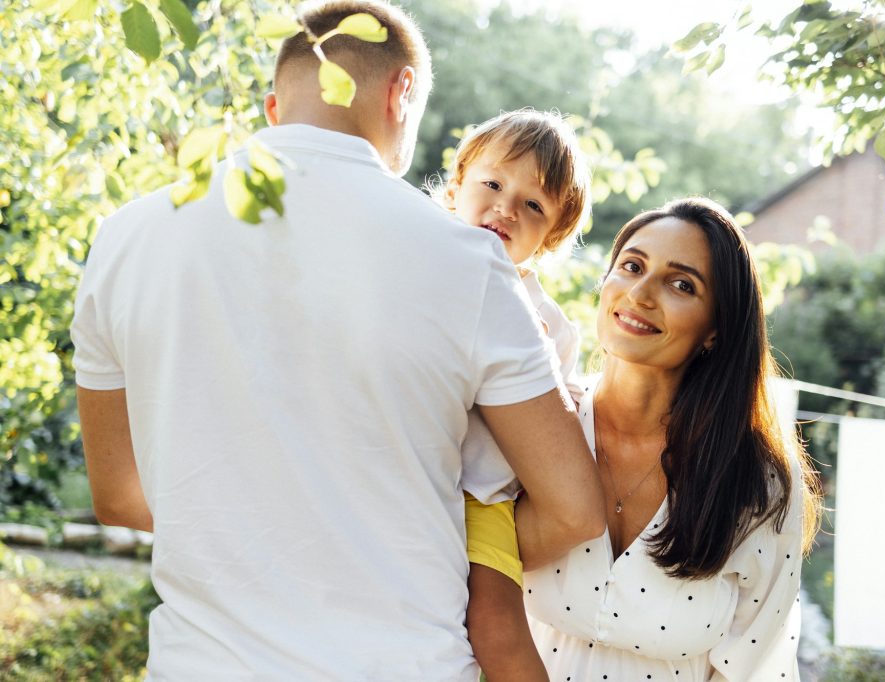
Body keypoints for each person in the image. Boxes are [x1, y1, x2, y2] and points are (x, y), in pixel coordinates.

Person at [70, 1, 604, 679]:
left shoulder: (124, 238)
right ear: (402, 92)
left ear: (273, 106)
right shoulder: (469, 263)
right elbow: (575, 508)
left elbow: (118, 495)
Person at [523, 198, 821, 681]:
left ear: (715, 330)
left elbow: (754, 664)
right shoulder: (533, 425)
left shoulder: (758, 484)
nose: (640, 293)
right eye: (632, 266)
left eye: (682, 284)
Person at [439, 109, 591, 680]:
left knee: (497, 626)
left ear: (550, 237)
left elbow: (549, 417)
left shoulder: (548, 323)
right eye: (494, 184)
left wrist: (564, 393)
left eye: (533, 206)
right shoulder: (420, 259)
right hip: (404, 469)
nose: (506, 208)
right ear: (457, 187)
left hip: (483, 495)